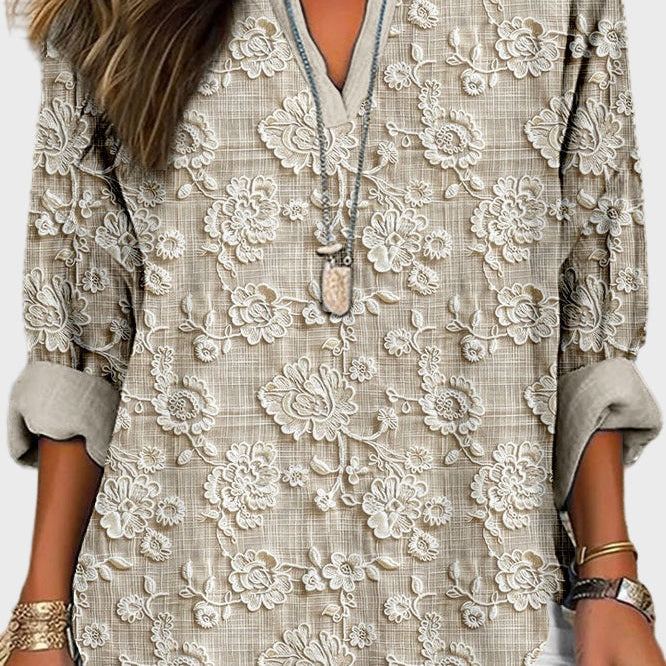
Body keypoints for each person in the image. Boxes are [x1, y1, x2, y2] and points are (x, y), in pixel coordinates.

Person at [1, 0, 664, 664]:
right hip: (183, 613)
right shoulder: (112, 11)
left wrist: (610, 575)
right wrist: (41, 615)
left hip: (484, 611)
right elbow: (87, 334)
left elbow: (589, 286)